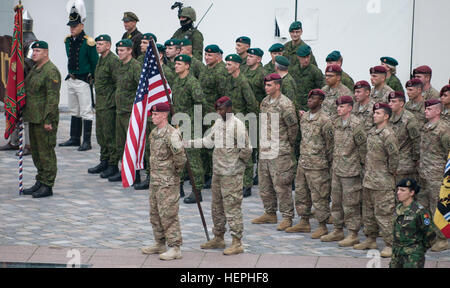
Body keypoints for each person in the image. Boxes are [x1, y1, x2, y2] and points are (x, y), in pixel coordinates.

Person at [192, 97, 252, 255]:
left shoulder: (237, 126)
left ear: (230, 108)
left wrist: (237, 165)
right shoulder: (218, 122)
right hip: (218, 172)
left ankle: (237, 241)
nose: (219, 112)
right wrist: (188, 143)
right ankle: (218, 237)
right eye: (217, 110)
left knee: (232, 208)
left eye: (222, 110)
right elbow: (208, 141)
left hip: (231, 174)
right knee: (216, 207)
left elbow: (247, 149)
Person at [251, 74, 298, 231]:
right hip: (265, 149)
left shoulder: (285, 104)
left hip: (279, 150)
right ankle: (270, 212)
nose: (266, 88)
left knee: (281, 185)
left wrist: (285, 143)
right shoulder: (265, 102)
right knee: (265, 185)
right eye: (266, 85)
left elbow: (293, 128)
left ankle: (287, 216)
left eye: (270, 85)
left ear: (278, 86)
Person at [141, 102, 186, 260]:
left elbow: (180, 158)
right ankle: (159, 242)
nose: (153, 117)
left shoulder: (171, 134)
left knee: (168, 214)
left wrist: (173, 174)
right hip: (155, 180)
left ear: (164, 115)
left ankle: (175, 247)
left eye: (156, 114)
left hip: (167, 181)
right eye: (152, 114)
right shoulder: (154, 133)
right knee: (154, 213)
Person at [287, 89, 334, 239]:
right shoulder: (305, 117)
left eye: (314, 98)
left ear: (321, 101)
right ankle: (304, 221)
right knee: (301, 193)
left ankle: (322, 225)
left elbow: (330, 144)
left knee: (320, 195)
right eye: (309, 98)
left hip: (318, 165)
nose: (310, 100)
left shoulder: (325, 120)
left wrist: (327, 163)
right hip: (303, 162)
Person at [354, 103, 399, 258]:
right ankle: (370, 239)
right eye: (374, 113)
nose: (374, 115)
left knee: (384, 214)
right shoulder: (373, 132)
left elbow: (394, 158)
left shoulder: (388, 134)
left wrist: (389, 172)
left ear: (386, 116)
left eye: (378, 113)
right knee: (369, 213)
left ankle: (390, 244)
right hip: (369, 180)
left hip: (382, 182)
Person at [321, 96, 366, 246]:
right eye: (338, 106)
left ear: (350, 108)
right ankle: (337, 229)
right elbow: (331, 143)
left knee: (351, 203)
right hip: (337, 168)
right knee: (336, 202)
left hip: (351, 171)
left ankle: (353, 233)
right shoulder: (336, 123)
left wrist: (360, 166)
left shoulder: (356, 125)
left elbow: (363, 148)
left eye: (342, 106)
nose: (338, 109)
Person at [21, 41, 61, 198]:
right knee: (37, 152)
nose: (34, 53)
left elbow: (52, 98)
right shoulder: (35, 69)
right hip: (34, 117)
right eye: (33, 51)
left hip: (45, 119)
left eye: (38, 51)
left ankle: (48, 184)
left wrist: (48, 120)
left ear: (46, 52)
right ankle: (40, 180)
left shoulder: (50, 71)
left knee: (46, 153)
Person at [60, 6, 98, 151]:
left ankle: (86, 141)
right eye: (70, 26)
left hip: (83, 80)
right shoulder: (68, 41)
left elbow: (94, 63)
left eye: (74, 26)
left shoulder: (89, 42)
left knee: (86, 111)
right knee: (74, 109)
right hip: (71, 79)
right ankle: (74, 138)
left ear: (81, 26)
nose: (71, 29)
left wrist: (93, 80)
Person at [222, 54, 259, 197]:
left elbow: (252, 103)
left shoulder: (243, 82)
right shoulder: (229, 80)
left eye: (229, 64)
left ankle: (247, 185)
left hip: (244, 122)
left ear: (237, 65)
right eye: (226, 64)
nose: (227, 67)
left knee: (245, 155)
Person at [171, 54, 206, 204]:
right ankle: (178, 187)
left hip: (191, 125)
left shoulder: (192, 83)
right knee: (178, 156)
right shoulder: (177, 81)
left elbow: (201, 103)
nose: (176, 66)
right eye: (176, 63)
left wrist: (196, 125)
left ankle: (197, 191)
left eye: (179, 64)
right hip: (178, 124)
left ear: (187, 66)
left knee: (193, 160)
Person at [107, 39, 141, 183]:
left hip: (131, 111)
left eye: (122, 50)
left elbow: (141, 89)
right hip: (120, 110)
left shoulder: (135, 67)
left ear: (129, 51)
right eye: (118, 50)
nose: (119, 53)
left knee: (133, 143)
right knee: (121, 143)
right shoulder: (119, 66)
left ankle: (136, 174)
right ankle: (125, 170)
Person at [418, 99, 450, 252]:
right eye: (426, 109)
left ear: (438, 111)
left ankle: (442, 239)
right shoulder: (426, 127)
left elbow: (448, 152)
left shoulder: (444, 129)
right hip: (424, 173)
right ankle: (430, 236)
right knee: (424, 207)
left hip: (437, 175)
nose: (426, 111)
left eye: (429, 109)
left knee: (436, 207)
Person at [88, 35, 120, 177]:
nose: (98, 46)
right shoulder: (101, 59)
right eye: (97, 44)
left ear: (108, 45)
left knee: (110, 135)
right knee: (101, 134)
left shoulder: (113, 61)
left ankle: (113, 164)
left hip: (109, 104)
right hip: (100, 103)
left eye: (101, 44)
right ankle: (104, 160)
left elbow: (117, 83)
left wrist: (112, 102)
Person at [198, 44, 228, 190]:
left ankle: (213, 175)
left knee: (214, 146)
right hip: (204, 113)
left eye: (210, 55)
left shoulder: (221, 71)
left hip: (214, 114)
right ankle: (206, 173)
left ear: (218, 56)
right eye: (206, 54)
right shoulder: (205, 68)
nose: (207, 57)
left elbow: (223, 95)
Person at [390, 178, 436, 268]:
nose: (398, 192)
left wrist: (419, 249)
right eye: (398, 189)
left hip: (412, 257)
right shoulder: (398, 208)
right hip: (397, 254)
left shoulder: (419, 211)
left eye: (402, 190)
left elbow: (430, 234)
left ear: (412, 193)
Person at [387, 91, 421, 186]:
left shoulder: (409, 118)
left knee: (403, 191)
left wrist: (415, 158)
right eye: (389, 101)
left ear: (401, 103)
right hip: (393, 160)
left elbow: (416, 140)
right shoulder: (389, 116)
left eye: (393, 101)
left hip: (405, 163)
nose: (390, 104)